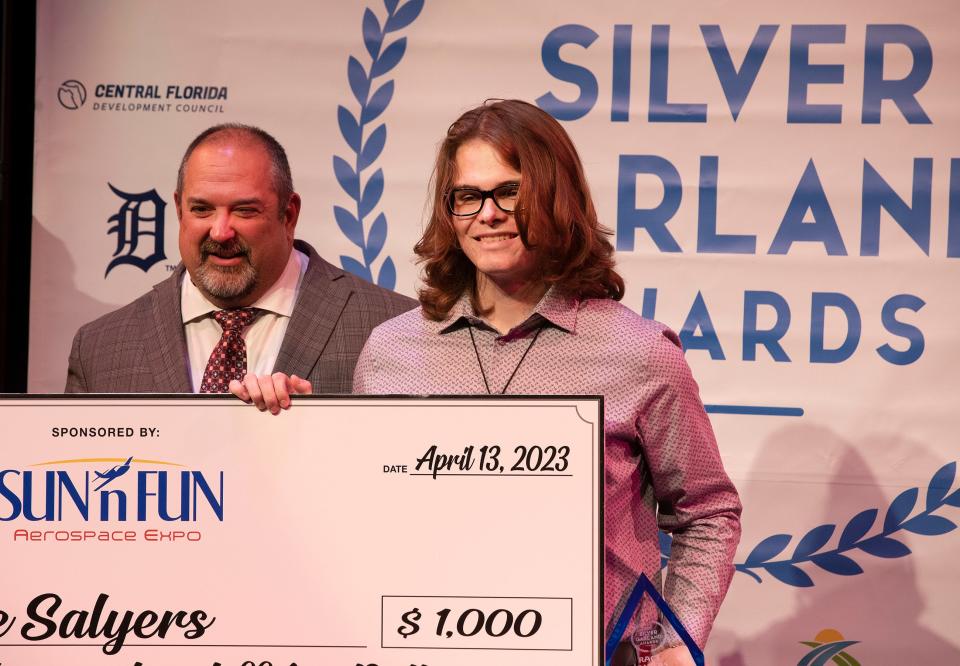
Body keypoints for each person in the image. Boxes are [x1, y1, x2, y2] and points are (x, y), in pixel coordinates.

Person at [351, 100, 742, 664]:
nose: (488, 214)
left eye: (510, 192)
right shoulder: (392, 352)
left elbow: (707, 511)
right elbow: (363, 513)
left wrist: (680, 638)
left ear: (556, 198)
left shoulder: (638, 353)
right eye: (468, 196)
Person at [65, 123, 415, 399]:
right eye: (201, 209)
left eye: (244, 210)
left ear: (288, 214)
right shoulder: (100, 348)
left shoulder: (391, 327)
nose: (220, 231)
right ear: (178, 210)